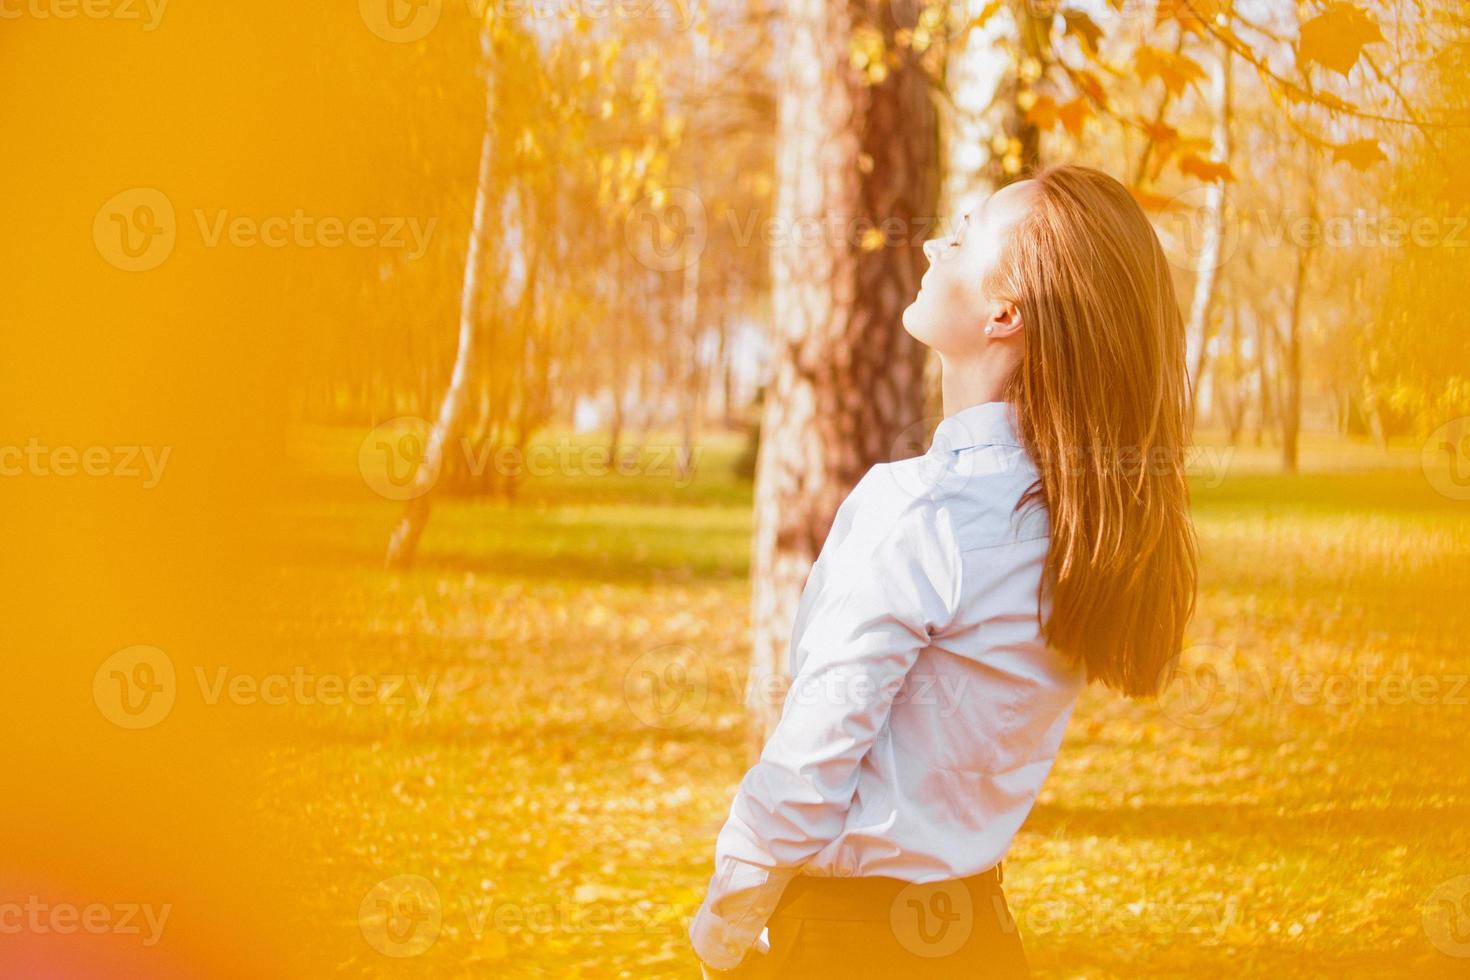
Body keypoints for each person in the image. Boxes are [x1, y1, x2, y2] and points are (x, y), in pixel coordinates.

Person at [688, 163, 1200, 979]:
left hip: (846, 951)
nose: (932, 243)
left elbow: (807, 775)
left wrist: (720, 936)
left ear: (1005, 314)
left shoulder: (920, 513)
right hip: (980, 941)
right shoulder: (1074, 523)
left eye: (962, 237)